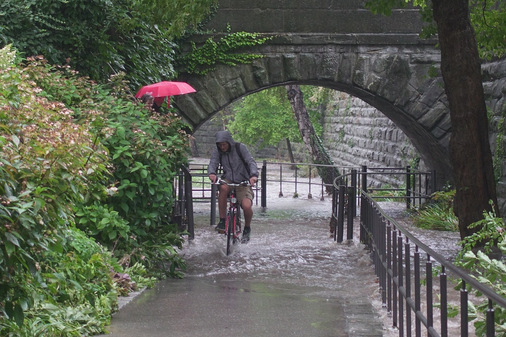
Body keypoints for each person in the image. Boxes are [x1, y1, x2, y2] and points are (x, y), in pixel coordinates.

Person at [208, 130, 258, 243]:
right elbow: (213, 162)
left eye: (224, 144)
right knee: (223, 188)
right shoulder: (218, 151)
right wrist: (212, 173)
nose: (222, 147)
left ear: (229, 142)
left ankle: (247, 228)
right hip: (228, 179)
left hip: (243, 181)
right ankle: (222, 220)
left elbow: (251, 162)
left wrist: (253, 176)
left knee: (246, 206)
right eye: (220, 145)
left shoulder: (241, 148)